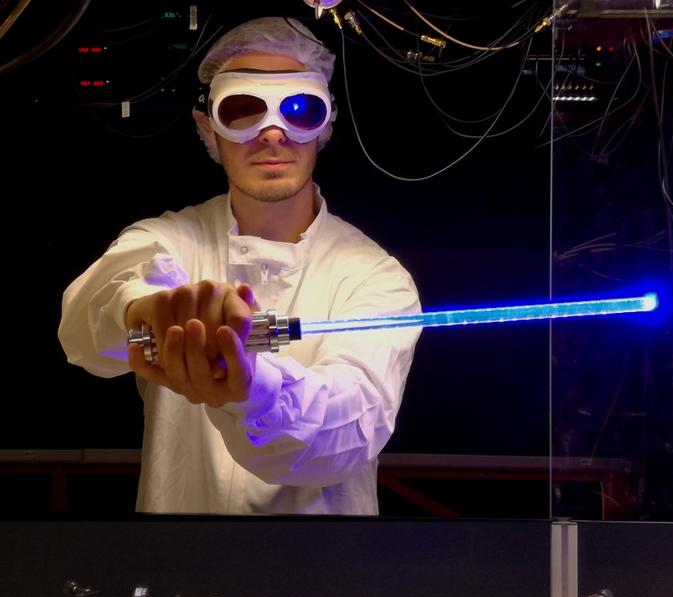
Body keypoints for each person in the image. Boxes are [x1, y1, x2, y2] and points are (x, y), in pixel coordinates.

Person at [58, 16, 421, 515]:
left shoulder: (375, 277)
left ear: (325, 125)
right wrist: (142, 310)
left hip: (322, 575)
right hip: (180, 567)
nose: (273, 133)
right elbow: (84, 332)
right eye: (245, 110)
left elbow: (349, 431)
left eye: (299, 110)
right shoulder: (166, 241)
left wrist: (254, 388)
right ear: (208, 127)